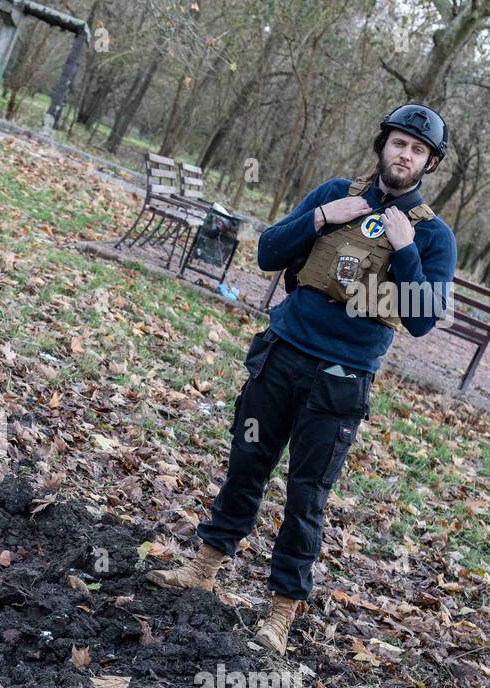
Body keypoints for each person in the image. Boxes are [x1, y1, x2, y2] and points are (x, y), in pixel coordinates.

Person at [148, 104, 458, 656]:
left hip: (341, 380)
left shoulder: (432, 236)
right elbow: (269, 253)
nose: (404, 154)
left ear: (428, 163)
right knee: (246, 465)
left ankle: (281, 611)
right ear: (382, 144)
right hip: (283, 355)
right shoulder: (335, 193)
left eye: (417, 149)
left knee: (306, 495)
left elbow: (422, 319)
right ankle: (203, 568)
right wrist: (323, 217)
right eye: (398, 142)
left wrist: (405, 248)